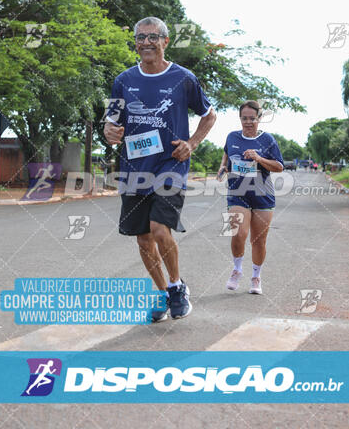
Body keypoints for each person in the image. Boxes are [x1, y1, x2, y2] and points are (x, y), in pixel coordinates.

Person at [104, 17, 216, 322]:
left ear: (165, 41)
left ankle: (177, 286)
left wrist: (191, 144)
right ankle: (162, 292)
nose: (146, 43)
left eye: (153, 37)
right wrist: (110, 131)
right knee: (143, 239)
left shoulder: (184, 78)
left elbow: (209, 116)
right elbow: (111, 122)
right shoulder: (123, 80)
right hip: (134, 168)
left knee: (159, 229)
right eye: (140, 38)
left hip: (171, 166)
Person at [216, 101, 283, 295]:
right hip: (237, 194)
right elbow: (226, 156)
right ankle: (237, 270)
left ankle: (256, 276)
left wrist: (259, 159)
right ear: (240, 119)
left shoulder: (268, 140)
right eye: (244, 118)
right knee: (236, 233)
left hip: (263, 195)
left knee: (258, 241)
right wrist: (223, 167)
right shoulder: (232, 136)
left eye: (252, 119)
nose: (248, 122)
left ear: (259, 119)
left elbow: (279, 166)